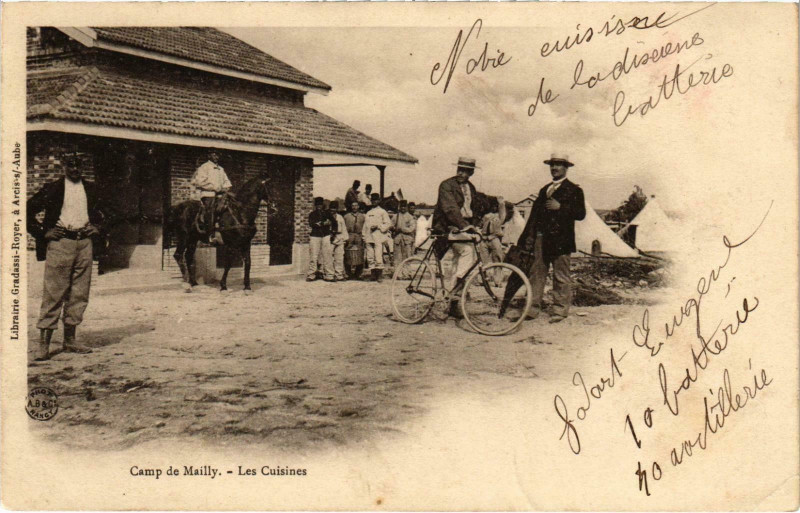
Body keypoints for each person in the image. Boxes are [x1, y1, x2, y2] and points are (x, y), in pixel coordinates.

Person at [27, 152, 107, 360]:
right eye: (70, 165)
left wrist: (98, 227)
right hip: (60, 243)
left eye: (78, 165)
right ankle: (44, 344)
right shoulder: (52, 188)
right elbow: (26, 210)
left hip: (84, 243)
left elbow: (111, 212)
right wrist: (43, 233)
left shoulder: (91, 189)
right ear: (63, 166)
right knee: (54, 292)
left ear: (83, 166)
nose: (74, 169)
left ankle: (70, 340)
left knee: (80, 292)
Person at [521, 153, 586, 322]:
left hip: (561, 240)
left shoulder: (575, 190)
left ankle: (560, 310)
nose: (555, 168)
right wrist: (531, 236)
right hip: (541, 239)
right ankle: (532, 308)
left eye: (559, 165)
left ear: (566, 168)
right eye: (552, 165)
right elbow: (534, 216)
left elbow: (581, 214)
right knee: (536, 274)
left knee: (561, 276)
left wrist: (561, 207)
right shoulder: (545, 190)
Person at [432, 157, 484, 314]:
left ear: (471, 172)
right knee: (467, 252)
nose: (461, 173)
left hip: (463, 228)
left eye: (466, 171)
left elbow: (474, 208)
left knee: (462, 259)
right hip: (448, 227)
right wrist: (465, 226)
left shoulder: (471, 188)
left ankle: (453, 294)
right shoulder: (447, 185)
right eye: (459, 169)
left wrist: (474, 226)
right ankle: (457, 290)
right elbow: (450, 209)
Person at [191, 149, 231, 245]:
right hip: (208, 195)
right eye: (214, 155)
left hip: (221, 196)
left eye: (218, 155)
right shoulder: (204, 167)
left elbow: (227, 182)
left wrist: (226, 188)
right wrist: (215, 188)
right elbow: (200, 182)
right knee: (210, 210)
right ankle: (209, 234)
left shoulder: (221, 169)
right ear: (209, 156)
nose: (216, 157)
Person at [362, 192, 392, 282]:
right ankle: (373, 275)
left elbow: (388, 223)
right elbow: (365, 225)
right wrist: (364, 236)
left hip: (378, 237)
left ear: (378, 201)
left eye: (376, 200)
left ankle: (379, 275)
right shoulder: (368, 212)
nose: (374, 202)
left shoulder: (382, 212)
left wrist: (378, 226)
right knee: (370, 256)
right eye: (372, 200)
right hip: (369, 237)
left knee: (378, 255)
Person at [307, 197, 336, 281]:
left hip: (326, 236)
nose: (319, 206)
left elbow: (334, 222)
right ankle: (311, 274)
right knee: (313, 256)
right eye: (317, 205)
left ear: (323, 205)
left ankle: (329, 275)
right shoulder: (312, 214)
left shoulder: (327, 213)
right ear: (315, 205)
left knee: (327, 255)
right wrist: (323, 223)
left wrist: (333, 233)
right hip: (315, 236)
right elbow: (312, 224)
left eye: (320, 204)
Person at [478, 199, 506, 286]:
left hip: (495, 239)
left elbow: (503, 213)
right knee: (483, 260)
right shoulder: (485, 216)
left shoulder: (498, 216)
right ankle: (484, 280)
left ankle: (497, 281)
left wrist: (501, 203)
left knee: (497, 259)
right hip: (484, 239)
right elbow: (479, 225)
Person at [343, 200, 366, 277]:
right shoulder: (346, 216)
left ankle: (358, 274)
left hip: (359, 236)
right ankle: (348, 273)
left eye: (356, 205)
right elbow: (343, 228)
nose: (354, 207)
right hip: (349, 236)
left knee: (360, 254)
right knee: (347, 254)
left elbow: (365, 227)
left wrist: (363, 237)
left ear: (358, 206)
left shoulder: (363, 216)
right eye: (353, 206)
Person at [329, 201, 349, 281]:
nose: (333, 210)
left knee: (339, 257)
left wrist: (345, 238)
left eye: (335, 208)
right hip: (331, 238)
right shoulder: (327, 216)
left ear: (337, 209)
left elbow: (344, 228)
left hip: (340, 237)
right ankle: (330, 274)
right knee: (329, 257)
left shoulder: (340, 217)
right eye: (331, 208)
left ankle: (339, 274)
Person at [393, 200, 416, 266]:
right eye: (401, 206)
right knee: (397, 258)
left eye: (404, 206)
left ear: (406, 207)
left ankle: (406, 274)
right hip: (397, 239)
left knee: (407, 257)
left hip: (407, 240)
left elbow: (411, 228)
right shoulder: (396, 216)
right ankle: (398, 274)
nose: (403, 208)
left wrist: (402, 229)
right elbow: (391, 225)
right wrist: (393, 228)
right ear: (399, 207)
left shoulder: (410, 217)